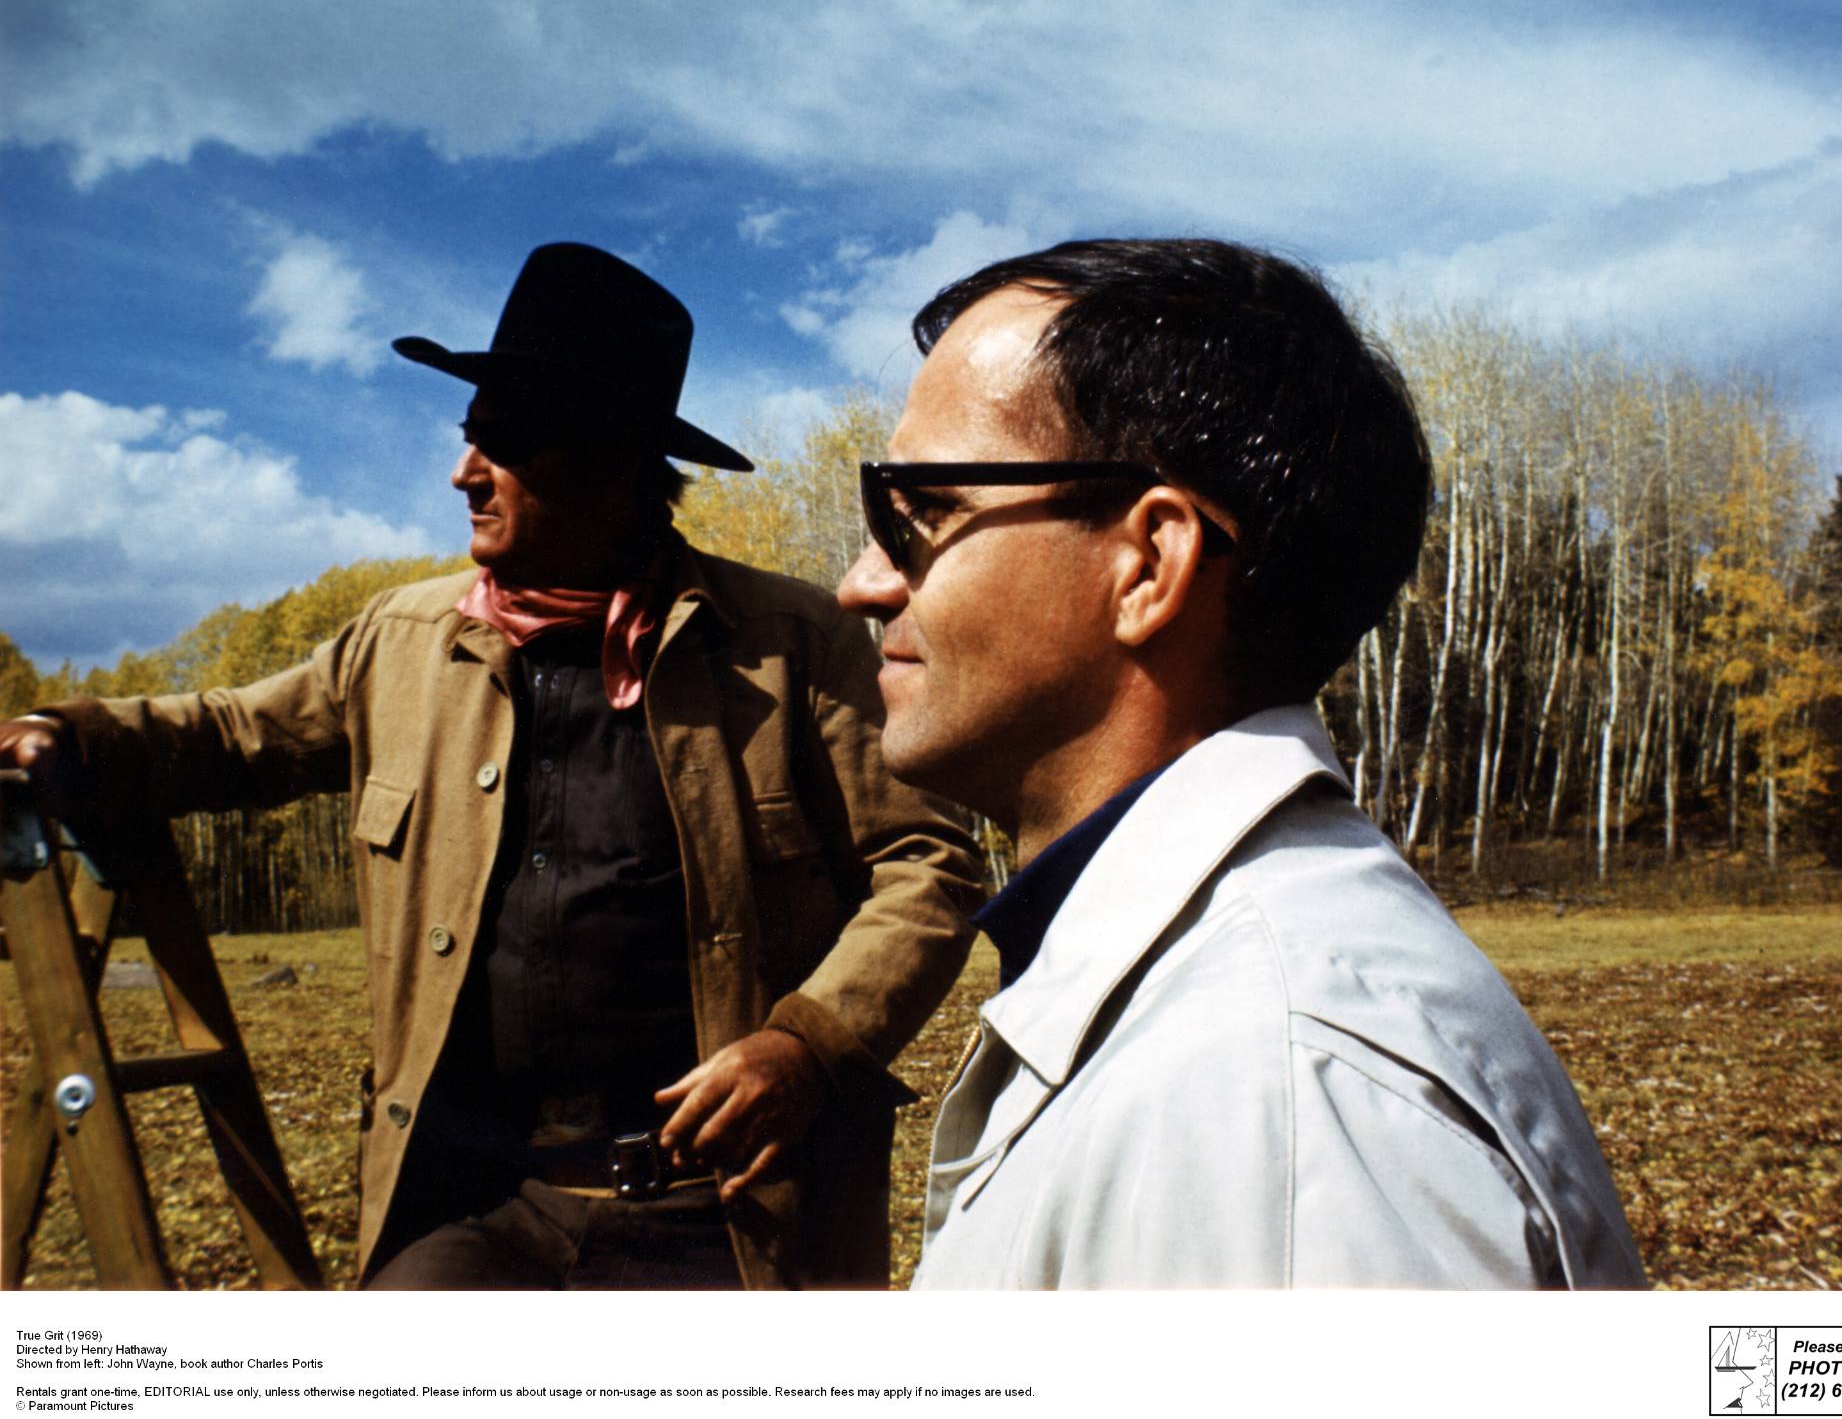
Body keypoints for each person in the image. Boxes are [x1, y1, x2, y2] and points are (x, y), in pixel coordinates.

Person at [3, 241, 984, 1290]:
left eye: (504, 443)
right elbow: (231, 734)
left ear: (610, 461)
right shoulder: (401, 638)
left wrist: (806, 1045)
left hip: (723, 1213)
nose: (464, 471)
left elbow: (928, 863)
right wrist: (71, 733)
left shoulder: (791, 645)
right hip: (468, 1202)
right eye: (470, 439)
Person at [836, 237, 1646, 1289]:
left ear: (1149, 565)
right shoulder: (1231, 1041)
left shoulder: (1281, 1107)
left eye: (923, 512)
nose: (862, 582)